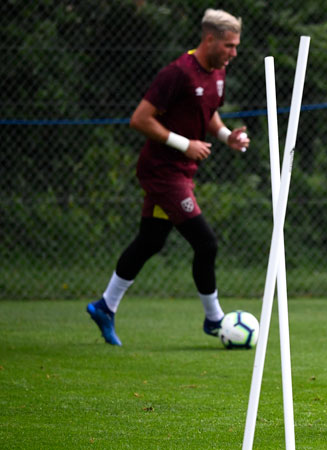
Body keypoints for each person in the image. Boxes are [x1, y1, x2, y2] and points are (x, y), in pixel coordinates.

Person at [86, 9, 250, 346]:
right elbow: (140, 119)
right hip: (161, 172)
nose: (234, 53)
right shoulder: (177, 73)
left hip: (181, 172)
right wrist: (183, 143)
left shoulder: (217, 74)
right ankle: (214, 318)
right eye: (230, 46)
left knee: (151, 240)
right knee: (205, 242)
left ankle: (105, 306)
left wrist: (226, 136)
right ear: (210, 39)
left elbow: (208, 114)